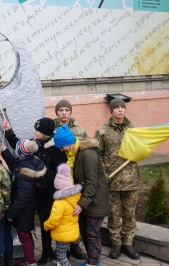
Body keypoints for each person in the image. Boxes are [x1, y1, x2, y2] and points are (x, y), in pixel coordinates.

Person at [2, 118, 67, 264]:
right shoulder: (35, 143)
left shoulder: (56, 149)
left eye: (37, 130)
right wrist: (9, 131)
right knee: (40, 224)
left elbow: (59, 172)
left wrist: (42, 183)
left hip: (48, 194)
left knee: (48, 224)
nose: (34, 132)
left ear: (44, 133)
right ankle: (45, 251)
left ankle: (52, 251)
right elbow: (20, 146)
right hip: (33, 193)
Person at [53, 125, 109, 266]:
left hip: (95, 201)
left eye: (62, 146)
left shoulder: (88, 155)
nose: (61, 150)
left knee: (92, 234)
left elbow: (91, 182)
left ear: (69, 142)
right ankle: (91, 260)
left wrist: (81, 204)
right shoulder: (75, 154)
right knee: (85, 232)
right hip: (87, 200)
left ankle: (94, 262)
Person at [94, 98, 140, 260]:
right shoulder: (103, 131)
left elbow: (141, 149)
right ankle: (116, 244)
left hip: (131, 180)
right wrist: (102, 174)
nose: (120, 110)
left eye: (122, 107)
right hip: (112, 181)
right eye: (117, 107)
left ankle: (128, 243)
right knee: (113, 215)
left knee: (129, 214)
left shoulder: (134, 129)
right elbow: (97, 155)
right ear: (111, 110)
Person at [1, 139, 46, 266]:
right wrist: (5, 152)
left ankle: (30, 262)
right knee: (25, 234)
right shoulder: (28, 163)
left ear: (20, 152)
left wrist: (11, 213)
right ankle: (29, 259)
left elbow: (22, 198)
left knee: (24, 235)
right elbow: (14, 165)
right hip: (26, 208)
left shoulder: (24, 173)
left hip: (23, 210)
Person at [54, 99, 88, 259]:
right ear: (57, 113)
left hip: (76, 177)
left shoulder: (80, 130)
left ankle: (75, 245)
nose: (64, 113)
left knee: (75, 214)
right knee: (61, 214)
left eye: (67, 110)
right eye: (61, 110)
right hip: (59, 180)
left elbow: (86, 149)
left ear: (70, 112)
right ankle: (61, 248)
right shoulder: (52, 130)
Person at [44, 164, 82, 266]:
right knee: (63, 253)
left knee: (61, 256)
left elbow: (54, 220)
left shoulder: (59, 203)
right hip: (71, 232)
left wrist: (46, 225)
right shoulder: (74, 198)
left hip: (62, 234)